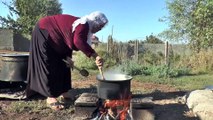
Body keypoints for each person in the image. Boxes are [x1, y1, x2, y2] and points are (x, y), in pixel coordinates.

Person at [25, 11, 108, 110]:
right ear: (95, 22)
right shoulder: (83, 24)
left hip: (58, 42)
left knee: (65, 64)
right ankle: (50, 97)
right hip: (44, 32)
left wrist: (68, 57)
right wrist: (95, 55)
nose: (100, 29)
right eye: (100, 26)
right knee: (49, 63)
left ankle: (64, 91)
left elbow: (68, 39)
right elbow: (78, 41)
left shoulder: (85, 28)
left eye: (102, 27)